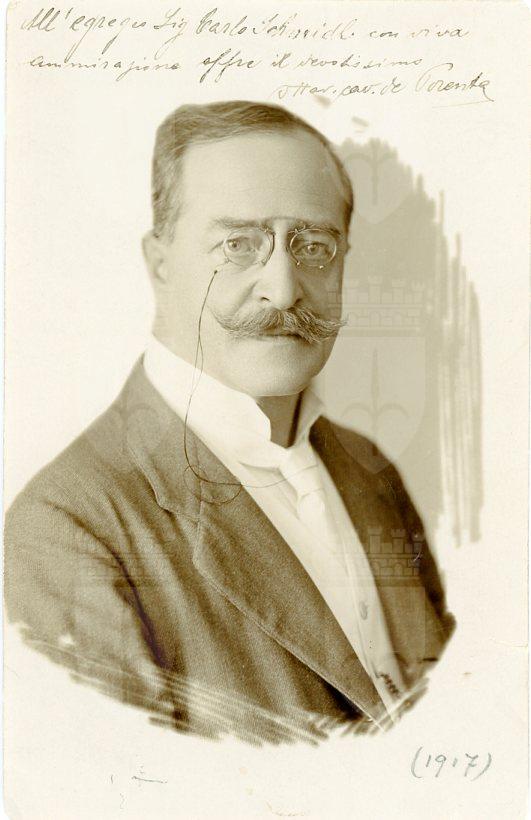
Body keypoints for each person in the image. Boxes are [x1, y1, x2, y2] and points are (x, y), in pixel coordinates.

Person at [4, 100, 454, 745]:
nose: (284, 288)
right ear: (160, 265)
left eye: (314, 246)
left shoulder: (370, 472)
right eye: (238, 245)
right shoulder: (68, 529)